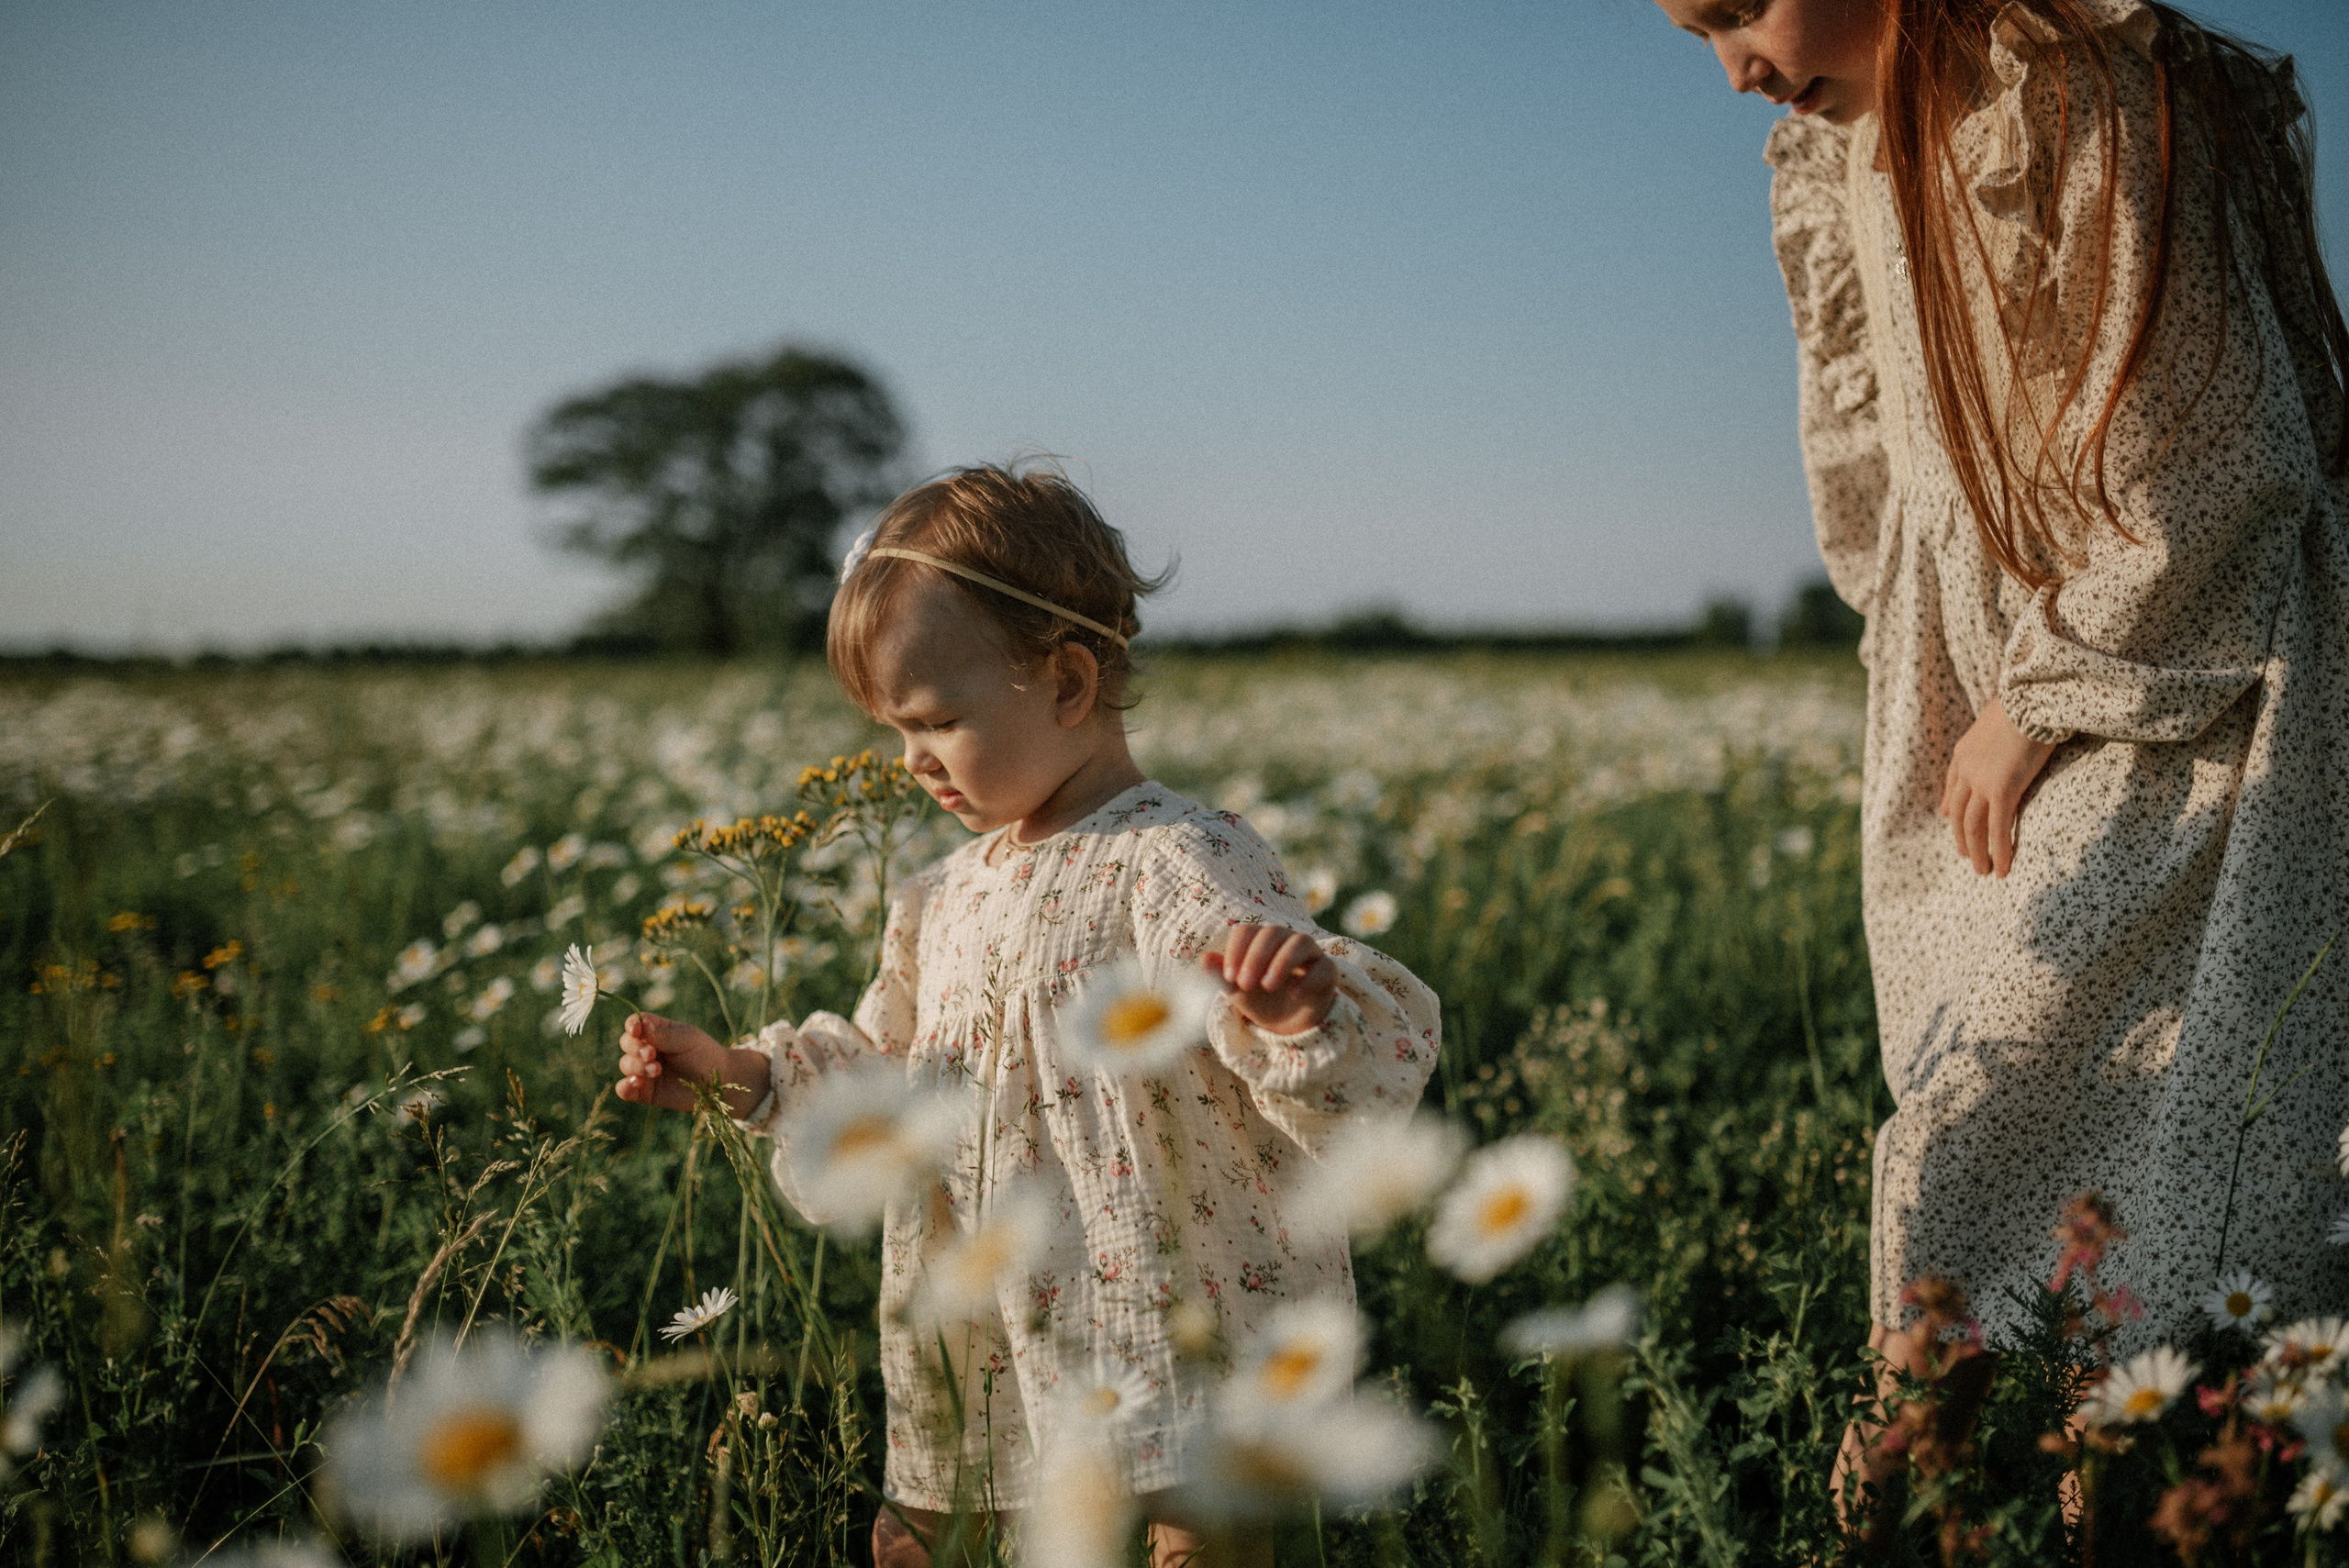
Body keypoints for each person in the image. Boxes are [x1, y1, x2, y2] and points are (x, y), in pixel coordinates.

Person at [1654, 0, 2349, 1525]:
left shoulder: (2086, 96)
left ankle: (2104, 1444)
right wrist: (1948, 666)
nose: (1738, 72)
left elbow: (2222, 444)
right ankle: (2016, 1446)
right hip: (1975, 675)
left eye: (1739, 11)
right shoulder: (1839, 151)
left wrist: (2049, 684)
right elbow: (1889, 474)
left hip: (2170, 653)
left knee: (2130, 1060)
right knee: (1968, 1053)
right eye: (1693, 34)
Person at [614, 463, 1442, 1566]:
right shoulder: (940, 899)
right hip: (996, 1327)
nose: (910, 761)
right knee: (931, 1538)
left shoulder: (1176, 858)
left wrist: (1293, 1015)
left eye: (937, 720)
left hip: (1171, 1309)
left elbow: (1361, 1068)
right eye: (892, 729)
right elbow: (879, 1072)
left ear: (1063, 682)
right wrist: (740, 1074)